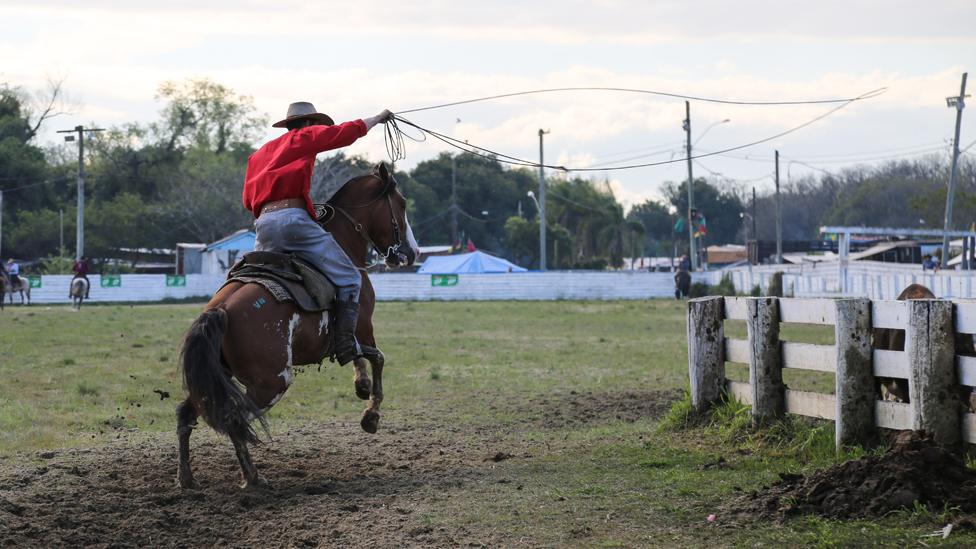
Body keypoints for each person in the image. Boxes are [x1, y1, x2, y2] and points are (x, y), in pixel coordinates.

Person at [243, 101, 392, 366]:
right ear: (310, 123)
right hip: (293, 221)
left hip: (264, 224)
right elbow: (347, 132)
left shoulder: (259, 154)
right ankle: (346, 344)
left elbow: (248, 200)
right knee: (350, 278)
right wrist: (378, 118)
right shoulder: (305, 136)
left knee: (257, 275)